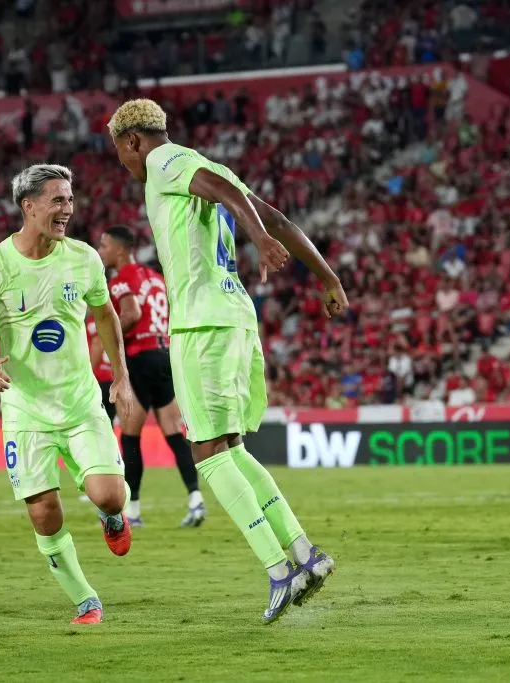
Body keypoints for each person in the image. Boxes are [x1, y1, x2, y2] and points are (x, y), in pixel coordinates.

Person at [107, 99, 345, 624]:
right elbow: (276, 215)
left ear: (132, 141)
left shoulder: (164, 161)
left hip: (202, 324)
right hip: (234, 318)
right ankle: (304, 554)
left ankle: (279, 570)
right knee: (230, 447)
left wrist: (257, 238)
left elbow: (232, 198)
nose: (123, 163)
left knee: (208, 453)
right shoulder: (205, 162)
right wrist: (327, 277)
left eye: (120, 152)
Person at [0, 163, 140, 625]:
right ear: (29, 206)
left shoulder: (83, 258)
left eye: (70, 199)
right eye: (58, 200)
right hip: (25, 409)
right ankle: (85, 599)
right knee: (43, 512)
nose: (67, 209)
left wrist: (120, 376)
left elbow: (107, 316)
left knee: (110, 496)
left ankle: (112, 518)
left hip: (79, 402)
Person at [97, 225, 205, 528]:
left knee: (130, 436)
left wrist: (110, 339)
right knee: (174, 432)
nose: (100, 251)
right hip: (163, 355)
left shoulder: (122, 278)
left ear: (120, 250)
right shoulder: (156, 278)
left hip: (140, 359)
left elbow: (131, 314)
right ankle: (195, 499)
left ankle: (132, 510)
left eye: (104, 245)